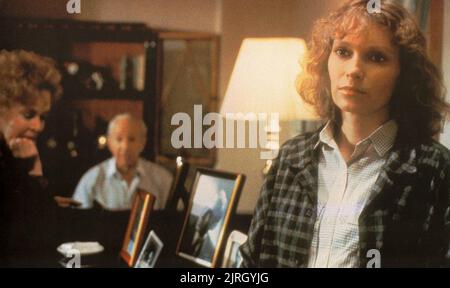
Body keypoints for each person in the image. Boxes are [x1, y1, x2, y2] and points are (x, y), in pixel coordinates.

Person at [240, 0, 450, 268]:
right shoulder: (292, 157)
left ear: (403, 74)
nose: (353, 70)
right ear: (326, 61)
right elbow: (252, 262)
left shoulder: (433, 168)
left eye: (376, 57)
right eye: (342, 52)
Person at [0, 49, 63, 266]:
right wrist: (34, 172)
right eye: (29, 115)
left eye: (42, 117)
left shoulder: (13, 155)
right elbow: (36, 240)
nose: (38, 126)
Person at [72, 113, 173, 211]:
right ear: (109, 142)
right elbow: (76, 220)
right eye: (119, 139)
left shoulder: (163, 179)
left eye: (132, 139)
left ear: (143, 142)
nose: (125, 147)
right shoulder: (92, 179)